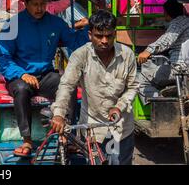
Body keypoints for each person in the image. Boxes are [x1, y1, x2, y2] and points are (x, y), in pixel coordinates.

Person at [0, 0, 88, 157]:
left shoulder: (56, 23)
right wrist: (22, 74)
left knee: (68, 85)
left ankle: (65, 135)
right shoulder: (12, 24)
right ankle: (27, 140)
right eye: (35, 5)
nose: (39, 8)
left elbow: (74, 41)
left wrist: (89, 30)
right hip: (19, 76)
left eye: (42, 4)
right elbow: (4, 58)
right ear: (26, 4)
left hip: (46, 75)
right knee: (22, 90)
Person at [51, 10, 139, 165]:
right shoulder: (80, 55)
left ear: (115, 34)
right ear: (90, 35)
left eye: (109, 36)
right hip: (93, 127)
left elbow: (132, 88)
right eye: (99, 36)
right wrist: (59, 114)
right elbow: (66, 85)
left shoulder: (127, 55)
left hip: (122, 127)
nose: (104, 41)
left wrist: (119, 107)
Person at [138, 0, 189, 89]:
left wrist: (148, 51)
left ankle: (156, 102)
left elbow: (167, 39)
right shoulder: (185, 21)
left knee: (141, 78)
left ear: (166, 12)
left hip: (180, 69)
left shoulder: (177, 23)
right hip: (183, 68)